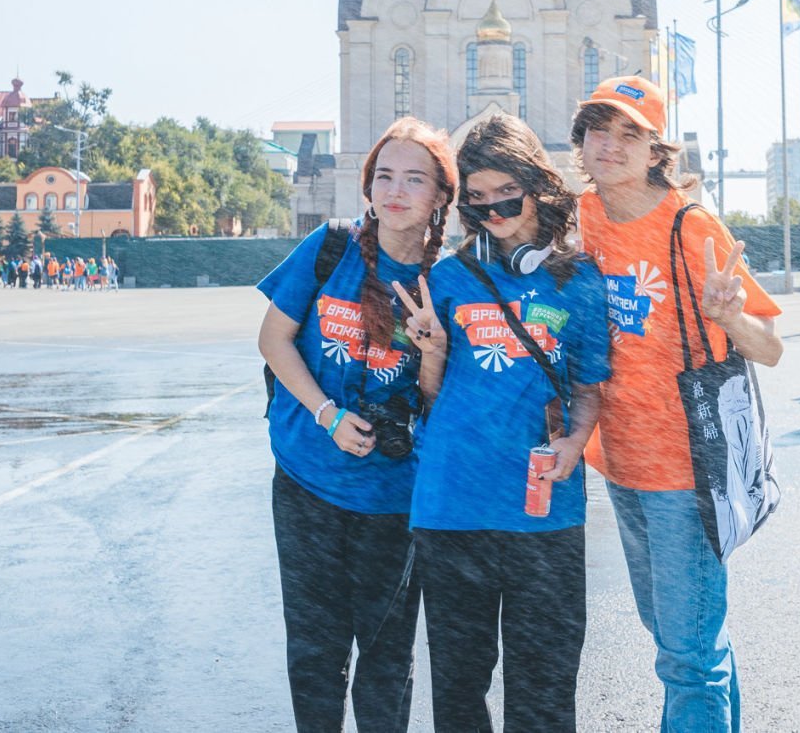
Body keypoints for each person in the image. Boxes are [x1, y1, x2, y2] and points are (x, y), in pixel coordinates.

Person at [571, 76, 783, 732]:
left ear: (655, 149)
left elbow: (769, 347)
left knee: (686, 652)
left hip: (686, 469)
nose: (610, 145)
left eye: (629, 133)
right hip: (619, 460)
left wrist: (730, 316)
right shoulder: (583, 214)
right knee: (679, 632)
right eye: (599, 129)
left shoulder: (691, 226)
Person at [393, 113, 609, 733]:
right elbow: (431, 397)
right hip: (452, 507)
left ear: (537, 187)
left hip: (544, 511)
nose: (493, 210)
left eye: (506, 193)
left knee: (545, 684)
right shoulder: (447, 278)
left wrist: (576, 441)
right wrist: (432, 351)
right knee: (460, 687)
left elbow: (589, 389)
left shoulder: (579, 279)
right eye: (478, 198)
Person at [255, 117, 455, 733]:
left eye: (414, 179)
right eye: (384, 176)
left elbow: (437, 404)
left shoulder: (448, 283)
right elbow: (273, 340)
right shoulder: (330, 248)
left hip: (394, 495)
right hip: (307, 481)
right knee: (314, 651)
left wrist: (432, 352)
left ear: (440, 196)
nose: (395, 191)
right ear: (367, 186)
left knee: (387, 658)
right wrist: (328, 414)